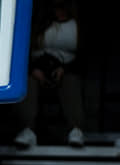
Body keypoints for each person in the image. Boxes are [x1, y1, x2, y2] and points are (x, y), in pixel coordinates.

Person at [14, 0, 85, 148]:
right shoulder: (38, 24)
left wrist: (65, 68)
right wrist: (32, 69)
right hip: (37, 68)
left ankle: (75, 130)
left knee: (70, 81)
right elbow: (21, 50)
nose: (59, 10)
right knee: (26, 81)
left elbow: (84, 57)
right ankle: (28, 130)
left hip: (65, 69)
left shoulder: (77, 24)